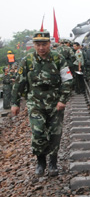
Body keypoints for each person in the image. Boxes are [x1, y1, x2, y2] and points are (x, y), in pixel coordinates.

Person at [11, 30, 73, 176]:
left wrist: (62, 100)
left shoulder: (58, 59)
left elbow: (68, 80)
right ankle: (40, 161)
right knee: (38, 133)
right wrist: (15, 103)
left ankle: (53, 163)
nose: (41, 48)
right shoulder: (27, 60)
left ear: (49, 44)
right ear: (34, 45)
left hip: (54, 103)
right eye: (38, 45)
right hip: (35, 103)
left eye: (44, 44)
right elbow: (19, 83)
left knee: (55, 134)